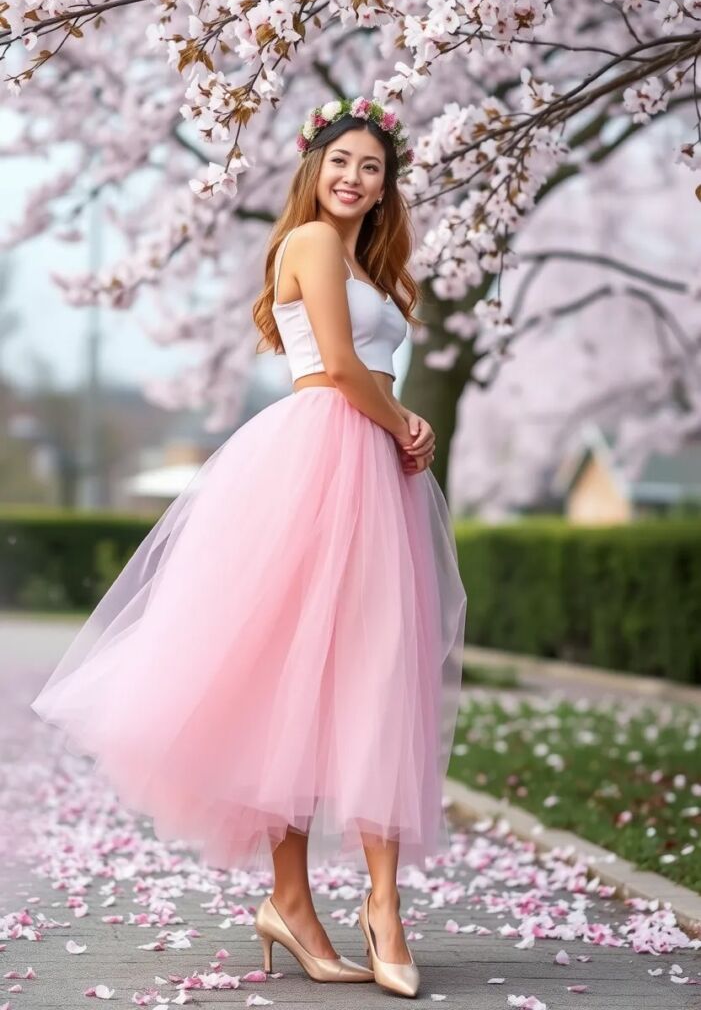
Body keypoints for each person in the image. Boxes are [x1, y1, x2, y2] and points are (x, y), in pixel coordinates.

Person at [30, 95, 468, 1000]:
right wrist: (405, 424)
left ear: (388, 188)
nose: (353, 178)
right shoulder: (307, 243)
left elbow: (372, 368)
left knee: (376, 678)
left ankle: (384, 907)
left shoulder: (375, 266)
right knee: (296, 686)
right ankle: (292, 901)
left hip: (377, 469)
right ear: (314, 169)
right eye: (340, 161)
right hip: (324, 453)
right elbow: (342, 370)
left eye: (371, 168)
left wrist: (400, 430)